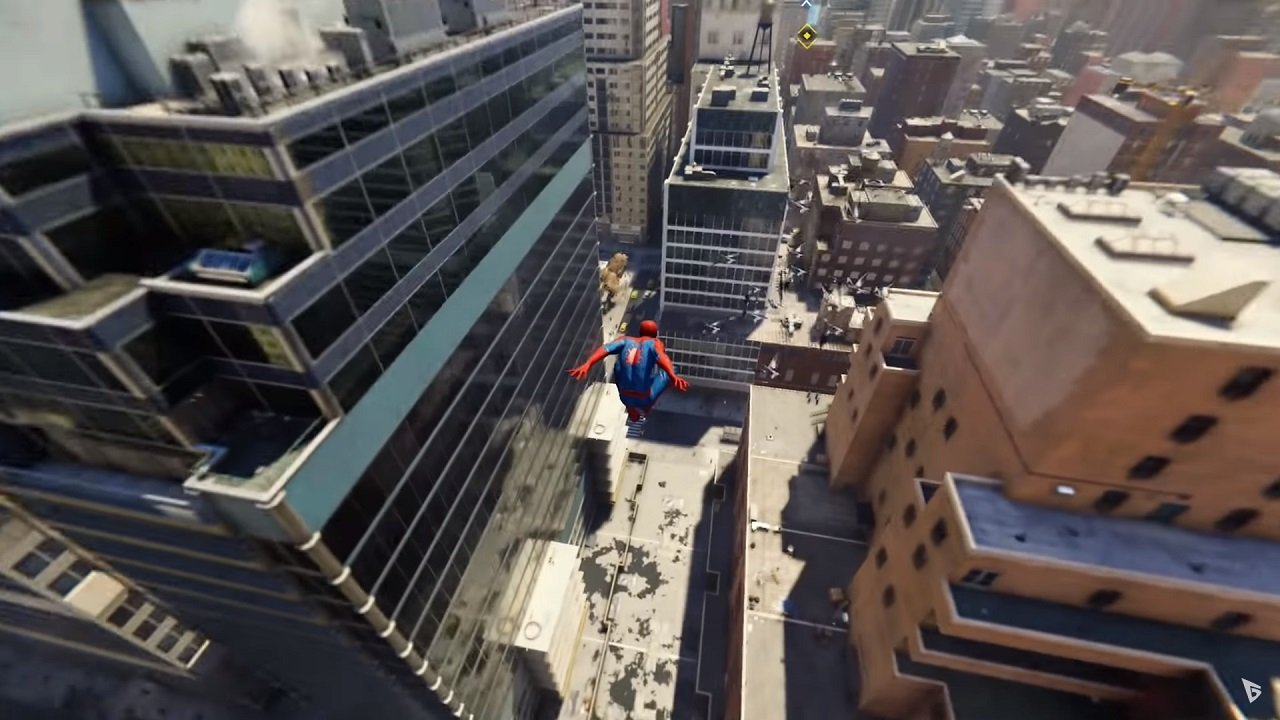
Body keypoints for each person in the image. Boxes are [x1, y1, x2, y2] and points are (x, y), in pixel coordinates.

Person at [567, 319, 689, 422]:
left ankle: (631, 409)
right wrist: (672, 375)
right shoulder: (655, 343)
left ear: (640, 332)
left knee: (618, 367)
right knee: (670, 370)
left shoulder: (625, 340)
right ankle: (646, 408)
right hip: (645, 397)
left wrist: (588, 363)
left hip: (625, 396)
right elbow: (661, 357)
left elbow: (605, 349)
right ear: (655, 334)